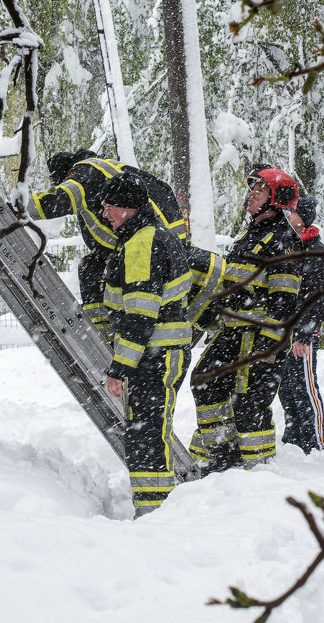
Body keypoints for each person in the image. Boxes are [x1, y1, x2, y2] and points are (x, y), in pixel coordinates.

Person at [188, 166, 303, 473]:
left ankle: (257, 470)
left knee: (250, 402)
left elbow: (284, 299)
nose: (251, 195)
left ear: (277, 198)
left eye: (259, 190)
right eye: (251, 189)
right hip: (233, 332)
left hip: (261, 336)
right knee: (204, 383)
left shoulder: (283, 240)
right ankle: (221, 453)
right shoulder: (248, 234)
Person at [97, 173, 193, 518]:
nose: (105, 213)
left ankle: (153, 515)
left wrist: (120, 368)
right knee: (150, 432)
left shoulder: (141, 243)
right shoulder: (153, 236)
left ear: (129, 208)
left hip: (155, 356)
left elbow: (139, 315)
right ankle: (153, 510)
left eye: (110, 207)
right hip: (161, 354)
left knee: (147, 435)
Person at [32, 150, 186, 337]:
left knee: (91, 269)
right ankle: (109, 330)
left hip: (148, 246)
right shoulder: (108, 168)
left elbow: (60, 199)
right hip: (171, 246)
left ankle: (103, 333)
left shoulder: (83, 172)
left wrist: (14, 206)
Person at [277, 196, 324, 453]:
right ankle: (294, 437)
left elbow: (320, 298)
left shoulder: (317, 251)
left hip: (303, 333)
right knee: (286, 387)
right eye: (288, 212)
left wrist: (304, 333)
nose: (289, 216)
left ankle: (315, 440)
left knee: (306, 386)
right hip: (284, 330)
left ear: (305, 217)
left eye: (294, 212)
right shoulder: (287, 245)